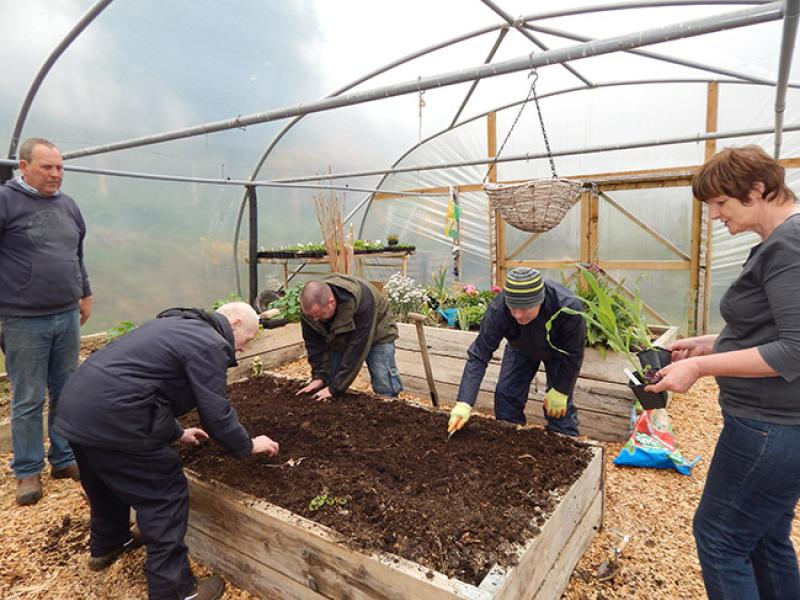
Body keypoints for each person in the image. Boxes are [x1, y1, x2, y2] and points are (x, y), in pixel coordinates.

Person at [648, 145, 800, 600]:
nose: (715, 216)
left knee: (719, 539)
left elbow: (795, 349)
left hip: (770, 429)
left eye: (720, 203)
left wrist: (700, 366)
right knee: (766, 539)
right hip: (780, 429)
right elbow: (772, 330)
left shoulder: (790, 244)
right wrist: (711, 342)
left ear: (757, 190)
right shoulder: (780, 242)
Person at [53, 302, 280, 600]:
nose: (242, 350)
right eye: (247, 340)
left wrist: (178, 432)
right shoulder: (210, 343)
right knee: (164, 494)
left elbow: (143, 384)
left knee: (104, 482)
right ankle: (174, 590)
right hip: (115, 418)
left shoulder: (175, 327)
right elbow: (215, 410)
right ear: (234, 323)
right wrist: (248, 444)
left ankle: (109, 542)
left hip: (78, 412)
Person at [0, 137, 93, 506]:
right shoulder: (6, 202)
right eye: (47, 167)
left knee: (66, 390)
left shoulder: (68, 206)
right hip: (23, 318)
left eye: (59, 167)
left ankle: (64, 457)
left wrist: (84, 293)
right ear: (24, 167)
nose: (56, 174)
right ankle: (26, 470)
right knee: (28, 397)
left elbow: (77, 253)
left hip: (67, 313)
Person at [447, 267, 586, 437]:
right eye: (513, 308)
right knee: (506, 395)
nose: (518, 315)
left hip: (558, 352)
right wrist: (464, 402)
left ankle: (567, 444)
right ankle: (509, 443)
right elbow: (479, 354)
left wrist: (561, 389)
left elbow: (574, 352)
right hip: (520, 348)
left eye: (525, 309)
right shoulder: (499, 310)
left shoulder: (567, 306)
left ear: (540, 301)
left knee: (558, 409)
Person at [296, 274, 403, 400]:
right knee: (332, 379)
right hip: (340, 332)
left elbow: (357, 349)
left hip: (377, 332)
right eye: (312, 316)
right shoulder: (311, 310)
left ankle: (389, 403)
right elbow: (314, 344)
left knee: (382, 378)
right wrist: (319, 377)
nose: (315, 319)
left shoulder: (363, 301)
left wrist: (335, 389)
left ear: (331, 302)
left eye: (319, 315)